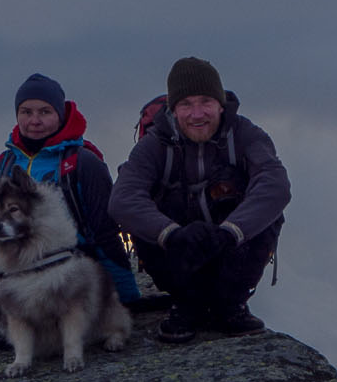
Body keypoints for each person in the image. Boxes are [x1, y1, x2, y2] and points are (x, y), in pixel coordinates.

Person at [0, 74, 156, 351]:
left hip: (68, 265)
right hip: (17, 264)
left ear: (60, 115)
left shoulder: (84, 163)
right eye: (26, 112)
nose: (34, 120)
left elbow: (105, 231)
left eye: (44, 112)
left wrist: (124, 296)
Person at [108, 57, 290, 342]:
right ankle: (186, 304)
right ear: (173, 108)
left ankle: (231, 305)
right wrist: (170, 234)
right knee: (142, 221)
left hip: (233, 246)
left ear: (220, 103)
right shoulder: (154, 145)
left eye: (205, 101)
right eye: (186, 104)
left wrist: (232, 232)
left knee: (268, 215)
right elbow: (123, 199)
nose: (196, 114)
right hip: (177, 250)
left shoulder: (246, 136)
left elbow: (275, 185)